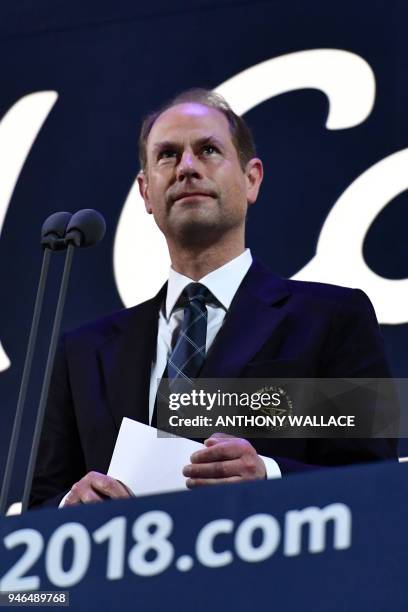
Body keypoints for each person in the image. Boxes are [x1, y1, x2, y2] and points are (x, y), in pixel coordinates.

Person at [29, 89, 397, 509]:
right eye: (167, 155)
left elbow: (376, 484)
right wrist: (68, 506)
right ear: (146, 192)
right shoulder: (84, 351)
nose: (187, 167)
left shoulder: (334, 319)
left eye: (208, 150)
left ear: (251, 178)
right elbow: (39, 502)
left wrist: (269, 475)